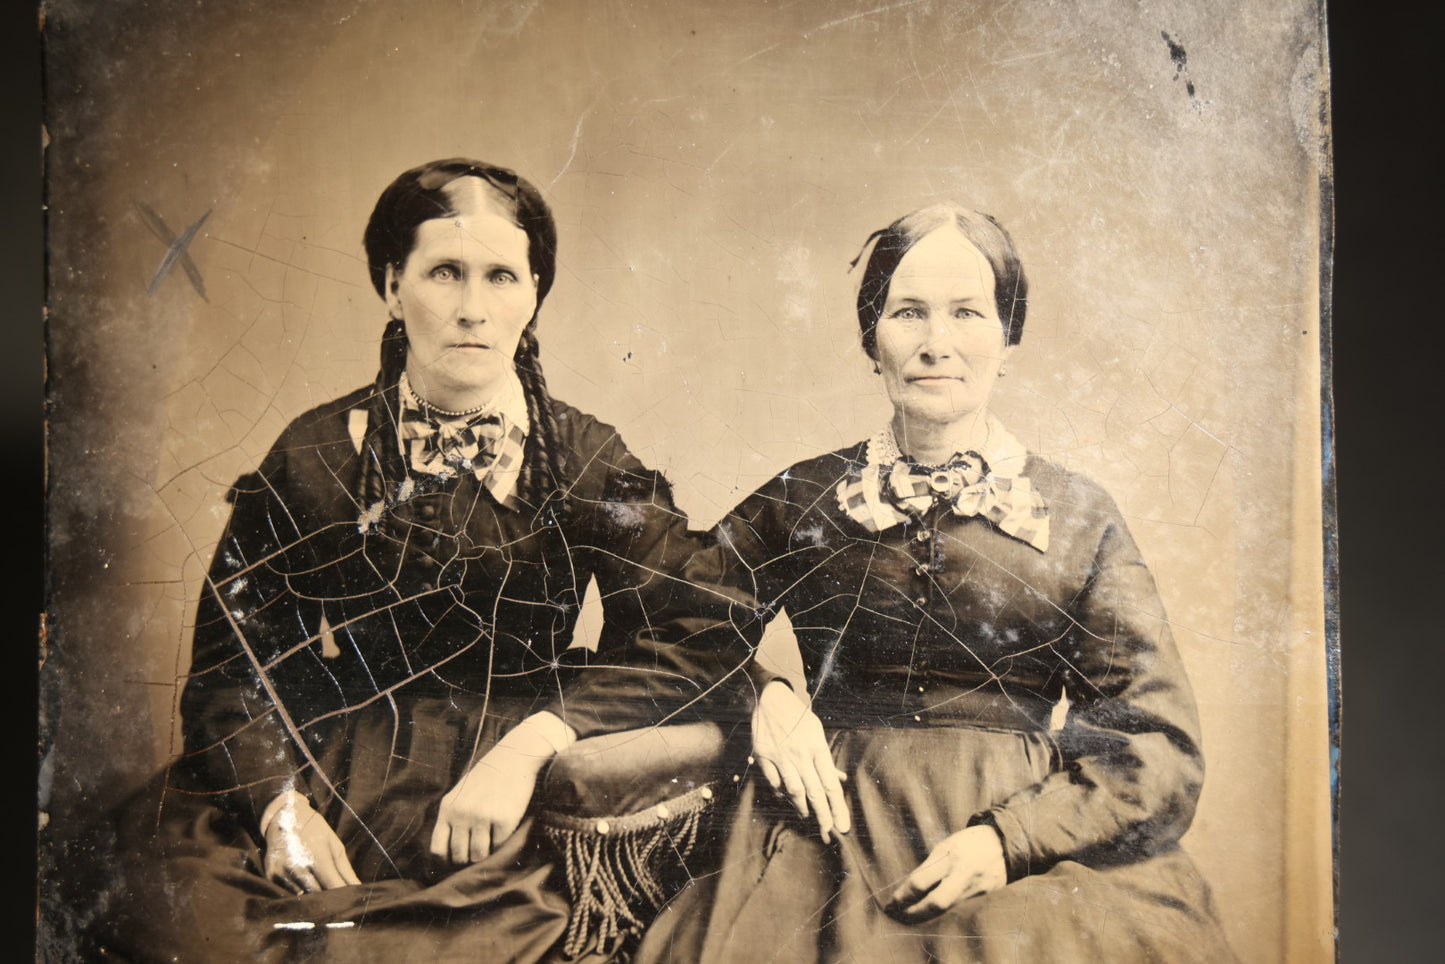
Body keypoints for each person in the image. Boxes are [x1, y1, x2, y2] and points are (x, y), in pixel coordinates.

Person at [96, 158, 732, 962]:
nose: (473, 309)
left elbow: (695, 630)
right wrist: (275, 807)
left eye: (501, 276)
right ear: (392, 287)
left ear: (533, 293)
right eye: (443, 273)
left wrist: (540, 739)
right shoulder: (316, 451)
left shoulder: (583, 456)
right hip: (335, 766)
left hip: (509, 787)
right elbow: (232, 668)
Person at [633, 203, 1238, 962]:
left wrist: (1011, 841)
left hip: (1020, 836)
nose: (935, 344)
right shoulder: (805, 495)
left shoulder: (1080, 516)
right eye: (908, 312)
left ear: (1006, 338)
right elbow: (672, 628)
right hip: (824, 825)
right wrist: (767, 696)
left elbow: (1154, 742)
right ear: (871, 338)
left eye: (967, 313)